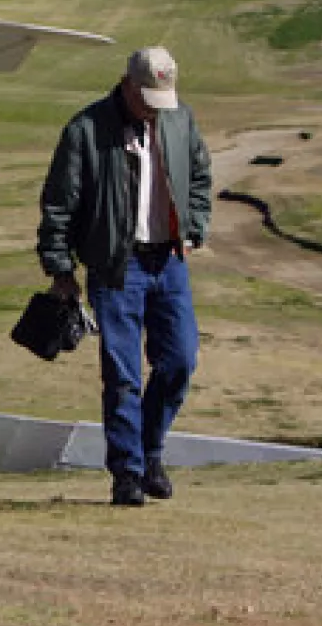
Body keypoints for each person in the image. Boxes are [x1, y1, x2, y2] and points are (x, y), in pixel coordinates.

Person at [36, 46, 212, 507]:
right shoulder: (86, 130)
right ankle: (128, 475)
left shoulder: (180, 121)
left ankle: (150, 451)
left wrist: (194, 228)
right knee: (123, 375)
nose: (155, 109)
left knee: (179, 362)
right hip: (117, 267)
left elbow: (199, 177)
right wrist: (60, 268)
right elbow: (58, 204)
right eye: (148, 98)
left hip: (169, 261)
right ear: (127, 85)